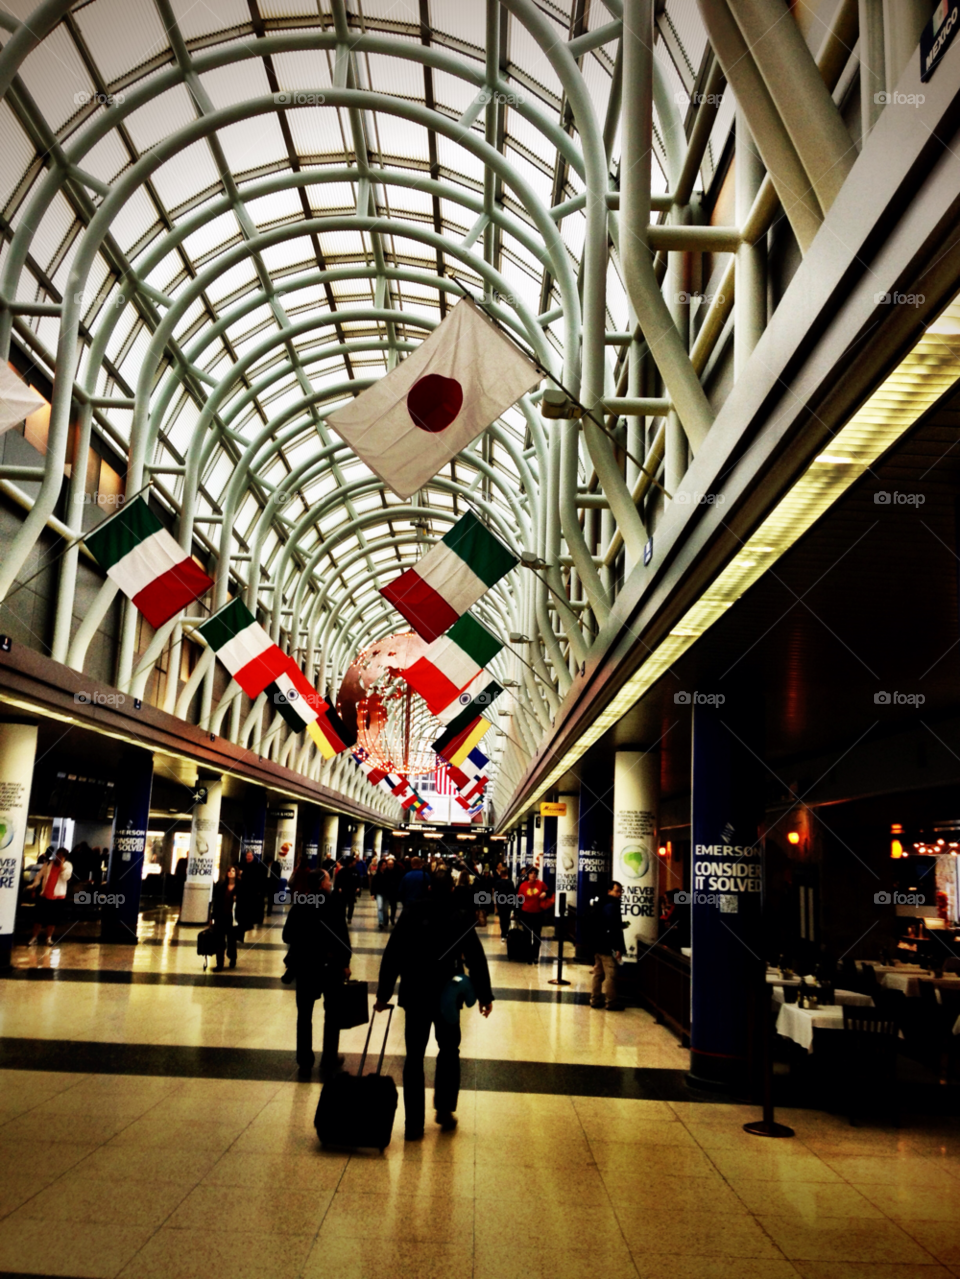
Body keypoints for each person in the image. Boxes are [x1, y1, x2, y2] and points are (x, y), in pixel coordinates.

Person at [375, 867, 493, 1140]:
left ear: (429, 889)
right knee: (449, 1050)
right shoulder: (460, 916)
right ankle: (444, 1110)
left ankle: (413, 1124)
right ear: (451, 890)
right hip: (447, 994)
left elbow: (393, 954)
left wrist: (383, 993)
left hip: (416, 991)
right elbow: (476, 957)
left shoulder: (411, 913)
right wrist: (484, 996)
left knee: (414, 1056)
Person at [283, 864, 351, 1079]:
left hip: (305, 966)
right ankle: (329, 1057)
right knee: (332, 1014)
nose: (330, 884)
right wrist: (345, 961)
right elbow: (342, 937)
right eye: (329, 880)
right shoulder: (334, 904)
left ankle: (304, 1059)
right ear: (322, 883)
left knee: (304, 1015)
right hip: (329, 967)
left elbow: (287, 936)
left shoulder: (301, 903)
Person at [590, 881, 626, 1011]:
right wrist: (618, 947)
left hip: (597, 942)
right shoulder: (612, 905)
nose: (619, 894)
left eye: (620, 891)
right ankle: (611, 1002)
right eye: (617, 891)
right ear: (609, 891)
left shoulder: (600, 903)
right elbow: (614, 928)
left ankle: (595, 999)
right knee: (611, 974)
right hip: (607, 944)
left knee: (598, 973)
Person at [29, 847, 72, 945]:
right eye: (57, 855)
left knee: (52, 920)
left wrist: (61, 865)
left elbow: (65, 877)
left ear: (64, 857)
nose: (58, 857)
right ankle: (34, 937)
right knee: (38, 919)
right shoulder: (48, 864)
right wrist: (35, 885)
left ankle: (48, 938)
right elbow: (39, 876)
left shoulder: (67, 866)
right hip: (44, 895)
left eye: (61, 856)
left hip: (58, 897)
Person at [517, 864, 550, 963]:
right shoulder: (523, 885)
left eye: (535, 873)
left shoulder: (540, 884)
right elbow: (519, 899)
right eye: (531, 873)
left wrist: (545, 893)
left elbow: (550, 892)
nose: (533, 875)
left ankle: (535, 955)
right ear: (527, 875)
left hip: (538, 914)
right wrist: (517, 913)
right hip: (526, 913)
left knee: (536, 935)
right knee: (527, 935)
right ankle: (528, 956)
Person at [210, 863, 241, 970]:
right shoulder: (221, 886)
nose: (231, 873)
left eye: (233, 871)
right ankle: (219, 964)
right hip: (221, 916)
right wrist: (212, 916)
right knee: (220, 941)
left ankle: (232, 958)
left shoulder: (239, 887)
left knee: (231, 941)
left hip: (232, 918)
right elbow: (216, 901)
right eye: (229, 871)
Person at [492, 863, 516, 941]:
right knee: (507, 917)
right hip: (508, 902)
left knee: (502, 918)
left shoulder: (497, 882)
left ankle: (503, 933)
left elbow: (496, 893)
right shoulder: (510, 882)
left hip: (501, 903)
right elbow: (513, 893)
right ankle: (506, 932)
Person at [371, 857, 393, 930]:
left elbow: (391, 884)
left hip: (387, 894)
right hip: (379, 893)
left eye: (385, 865)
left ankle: (385, 920)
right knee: (380, 908)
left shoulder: (388, 874)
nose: (384, 866)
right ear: (380, 866)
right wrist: (372, 894)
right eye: (383, 865)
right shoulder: (376, 875)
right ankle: (381, 922)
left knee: (385, 909)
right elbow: (373, 885)